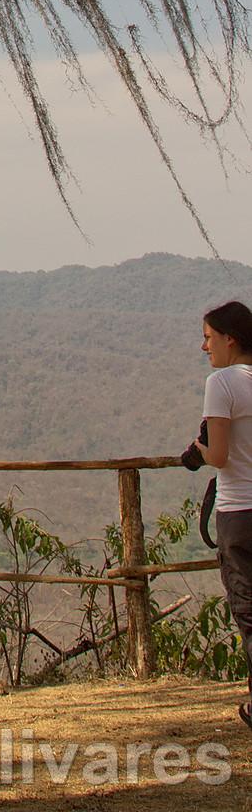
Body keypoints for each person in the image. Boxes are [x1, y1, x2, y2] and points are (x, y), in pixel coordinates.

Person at [188, 300, 252, 730]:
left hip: (238, 511)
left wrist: (197, 450)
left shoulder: (222, 383)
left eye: (209, 338)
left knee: (248, 610)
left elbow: (220, 455)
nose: (204, 346)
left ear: (230, 339)